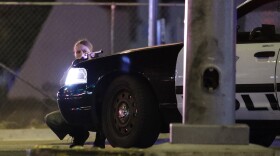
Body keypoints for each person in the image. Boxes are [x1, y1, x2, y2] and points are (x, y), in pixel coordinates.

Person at [45, 39, 106, 148]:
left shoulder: (99, 68)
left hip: (95, 114)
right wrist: (74, 66)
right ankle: (80, 135)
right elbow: (63, 83)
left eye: (84, 51)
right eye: (78, 52)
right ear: (74, 54)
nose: (81, 54)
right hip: (77, 113)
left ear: (91, 52)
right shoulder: (73, 69)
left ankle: (100, 138)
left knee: (105, 110)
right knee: (51, 119)